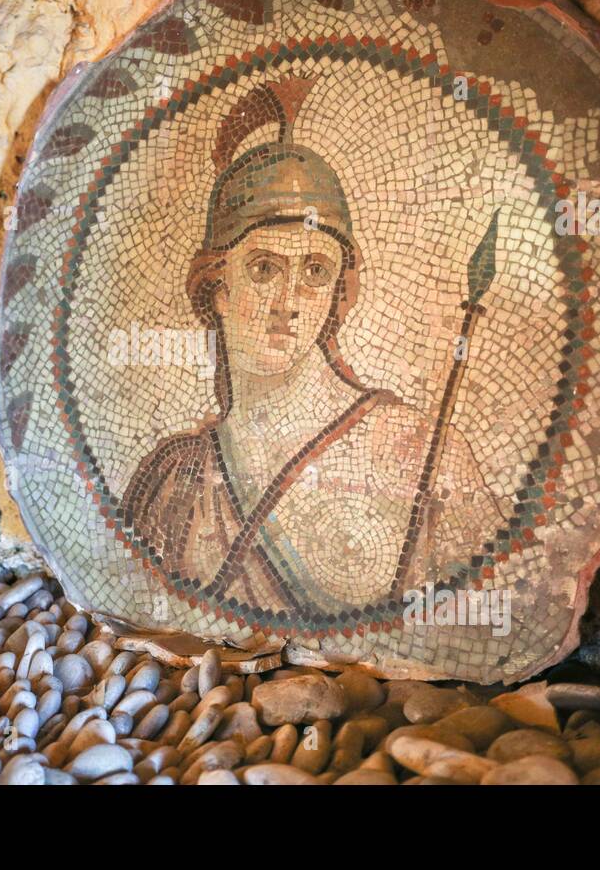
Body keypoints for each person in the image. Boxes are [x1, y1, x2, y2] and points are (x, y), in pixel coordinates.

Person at [122, 75, 506, 621]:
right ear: (217, 286)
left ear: (336, 295)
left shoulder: (422, 455)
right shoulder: (175, 479)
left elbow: (484, 619)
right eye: (263, 268)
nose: (289, 301)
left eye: (315, 272)